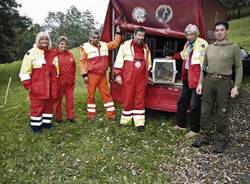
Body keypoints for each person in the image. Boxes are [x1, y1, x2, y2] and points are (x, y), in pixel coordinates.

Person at [192, 21, 243, 153]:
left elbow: (238, 68)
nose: (219, 32)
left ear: (227, 31)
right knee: (205, 111)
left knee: (222, 112)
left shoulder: (234, 48)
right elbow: (204, 68)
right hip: (208, 81)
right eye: (217, 30)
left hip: (224, 82)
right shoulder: (209, 48)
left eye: (222, 30)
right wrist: (200, 83)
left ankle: (221, 141)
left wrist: (236, 86)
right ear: (214, 32)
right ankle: (205, 136)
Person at [169, 24, 208, 138]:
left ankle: (194, 129)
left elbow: (204, 66)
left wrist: (200, 82)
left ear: (196, 34)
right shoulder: (188, 44)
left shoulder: (202, 44)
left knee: (195, 105)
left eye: (191, 34)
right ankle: (181, 125)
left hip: (196, 80)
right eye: (187, 34)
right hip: (187, 79)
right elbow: (182, 55)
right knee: (182, 101)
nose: (189, 36)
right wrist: (171, 57)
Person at [19, 31, 58, 133]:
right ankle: (36, 127)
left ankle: (46, 123)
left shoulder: (53, 52)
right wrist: (28, 85)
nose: (44, 41)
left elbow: (57, 68)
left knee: (48, 105)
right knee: (37, 106)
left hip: (51, 86)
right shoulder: (31, 53)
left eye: (46, 39)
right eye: (41, 39)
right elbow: (24, 71)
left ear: (49, 41)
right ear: (38, 40)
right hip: (38, 85)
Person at [80, 26, 122, 120]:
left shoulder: (104, 45)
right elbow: (82, 62)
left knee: (106, 94)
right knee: (91, 95)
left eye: (97, 37)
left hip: (102, 75)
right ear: (90, 38)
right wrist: (84, 75)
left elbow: (115, 44)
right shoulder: (85, 47)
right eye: (93, 37)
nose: (95, 39)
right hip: (91, 75)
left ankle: (111, 115)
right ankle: (91, 116)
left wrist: (118, 33)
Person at [114, 27, 152, 132]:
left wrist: (147, 75)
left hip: (141, 79)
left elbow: (149, 63)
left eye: (142, 36)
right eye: (139, 35)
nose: (140, 37)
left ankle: (139, 123)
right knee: (128, 98)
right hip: (128, 77)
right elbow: (119, 60)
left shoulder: (145, 48)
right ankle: (126, 121)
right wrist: (117, 75)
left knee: (140, 99)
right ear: (134, 35)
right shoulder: (125, 46)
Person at [54, 36, 76, 123]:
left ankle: (70, 116)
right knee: (58, 100)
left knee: (70, 100)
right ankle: (58, 117)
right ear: (58, 44)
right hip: (59, 82)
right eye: (62, 44)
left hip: (69, 82)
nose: (64, 46)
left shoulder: (70, 54)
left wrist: (72, 77)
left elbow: (74, 67)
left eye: (66, 44)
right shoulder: (54, 55)